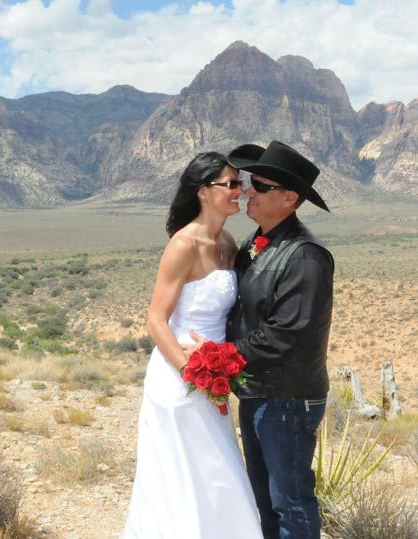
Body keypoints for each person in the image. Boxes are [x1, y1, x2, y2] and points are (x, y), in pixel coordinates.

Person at [121, 152, 262, 538]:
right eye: (230, 184)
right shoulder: (184, 244)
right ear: (203, 192)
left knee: (218, 475)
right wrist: (190, 370)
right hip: (179, 380)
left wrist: (223, 365)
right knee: (183, 479)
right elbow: (156, 319)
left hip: (217, 379)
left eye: (240, 183)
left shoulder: (228, 242)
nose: (240, 191)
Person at [225, 141, 334, 539]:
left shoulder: (305, 256)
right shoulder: (256, 247)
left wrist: (224, 356)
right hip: (259, 393)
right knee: (264, 500)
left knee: (290, 501)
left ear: (289, 198)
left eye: (259, 184)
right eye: (249, 182)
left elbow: (286, 332)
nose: (248, 190)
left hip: (287, 399)